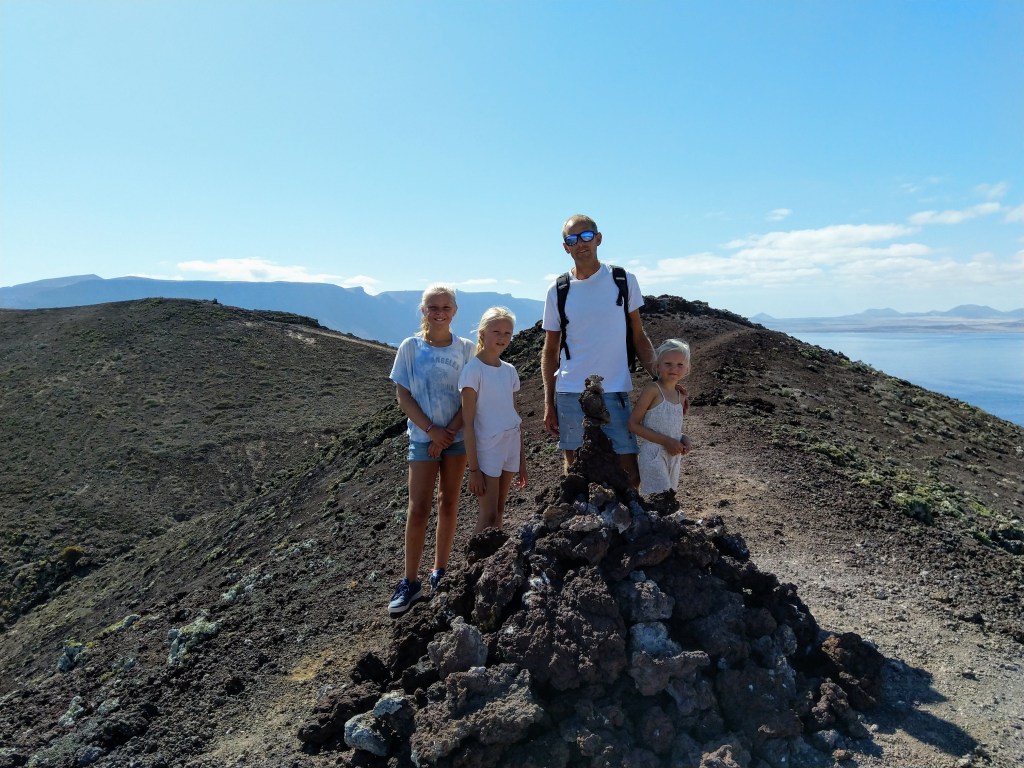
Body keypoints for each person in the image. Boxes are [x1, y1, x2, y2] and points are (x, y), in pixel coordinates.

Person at [541, 214, 659, 488]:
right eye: (572, 239)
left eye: (586, 236)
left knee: (630, 474)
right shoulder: (558, 290)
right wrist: (549, 403)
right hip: (570, 392)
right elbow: (550, 350)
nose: (580, 243)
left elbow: (639, 336)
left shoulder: (622, 280)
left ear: (598, 238)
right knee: (576, 473)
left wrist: (662, 382)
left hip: (614, 390)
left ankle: (624, 515)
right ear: (565, 247)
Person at [387, 284, 475, 616]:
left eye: (445, 307)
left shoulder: (466, 349)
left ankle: (440, 571)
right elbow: (403, 396)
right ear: (423, 310)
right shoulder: (409, 348)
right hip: (424, 439)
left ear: (455, 310)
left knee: (448, 502)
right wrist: (432, 431)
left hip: (455, 438)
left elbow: (469, 394)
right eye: (433, 307)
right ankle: (410, 581)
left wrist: (448, 432)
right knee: (419, 508)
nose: (439, 313)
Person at [459, 307, 528, 534]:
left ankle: (493, 555)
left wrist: (522, 460)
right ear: (482, 333)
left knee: (499, 511)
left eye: (507, 333)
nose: (502, 337)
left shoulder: (510, 371)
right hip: (488, 447)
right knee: (487, 514)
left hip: (510, 443)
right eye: (496, 331)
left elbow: (514, 416)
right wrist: (473, 469)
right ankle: (475, 556)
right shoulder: (473, 371)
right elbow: (468, 423)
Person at [628, 339, 693, 495]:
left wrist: (683, 438)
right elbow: (633, 424)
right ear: (657, 365)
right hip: (653, 456)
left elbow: (671, 427)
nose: (674, 369)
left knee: (669, 498)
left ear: (687, 369)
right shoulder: (653, 390)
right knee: (658, 499)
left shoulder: (681, 396)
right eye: (668, 364)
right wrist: (667, 441)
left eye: (680, 365)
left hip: (673, 457)